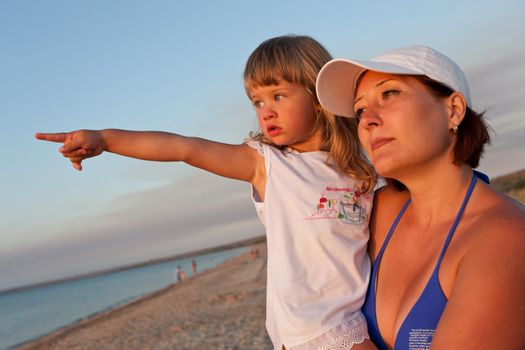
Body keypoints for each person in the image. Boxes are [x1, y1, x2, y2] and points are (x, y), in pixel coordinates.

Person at [36, 35, 378, 350]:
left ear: (318, 97)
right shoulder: (268, 164)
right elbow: (184, 148)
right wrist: (106, 140)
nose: (266, 111)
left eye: (278, 95)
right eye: (256, 102)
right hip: (311, 330)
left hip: (360, 320)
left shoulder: (359, 172)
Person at [316, 45, 525, 349]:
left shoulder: (506, 239)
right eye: (360, 109)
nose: (367, 120)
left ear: (453, 110)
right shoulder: (377, 211)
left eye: (389, 94)